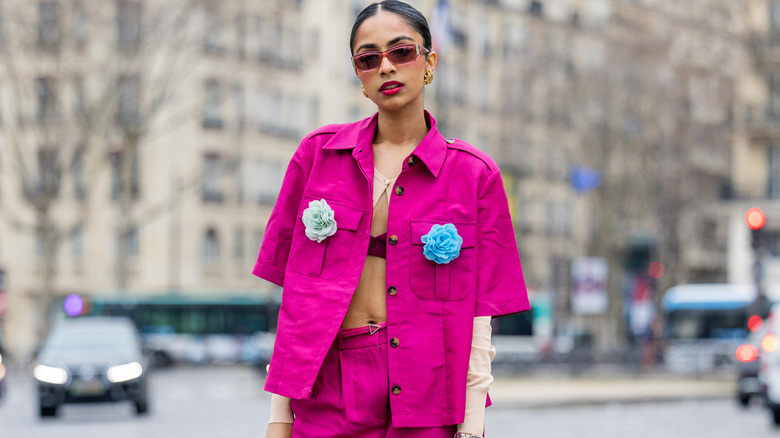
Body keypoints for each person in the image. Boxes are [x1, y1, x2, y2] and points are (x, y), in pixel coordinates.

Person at [254, 2, 530, 437]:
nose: (386, 67)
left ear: (428, 62)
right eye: (368, 59)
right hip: (328, 391)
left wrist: (472, 426)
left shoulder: (475, 174)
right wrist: (278, 419)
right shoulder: (317, 157)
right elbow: (298, 304)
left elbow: (480, 320)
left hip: (428, 395)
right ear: (359, 76)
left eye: (401, 52)